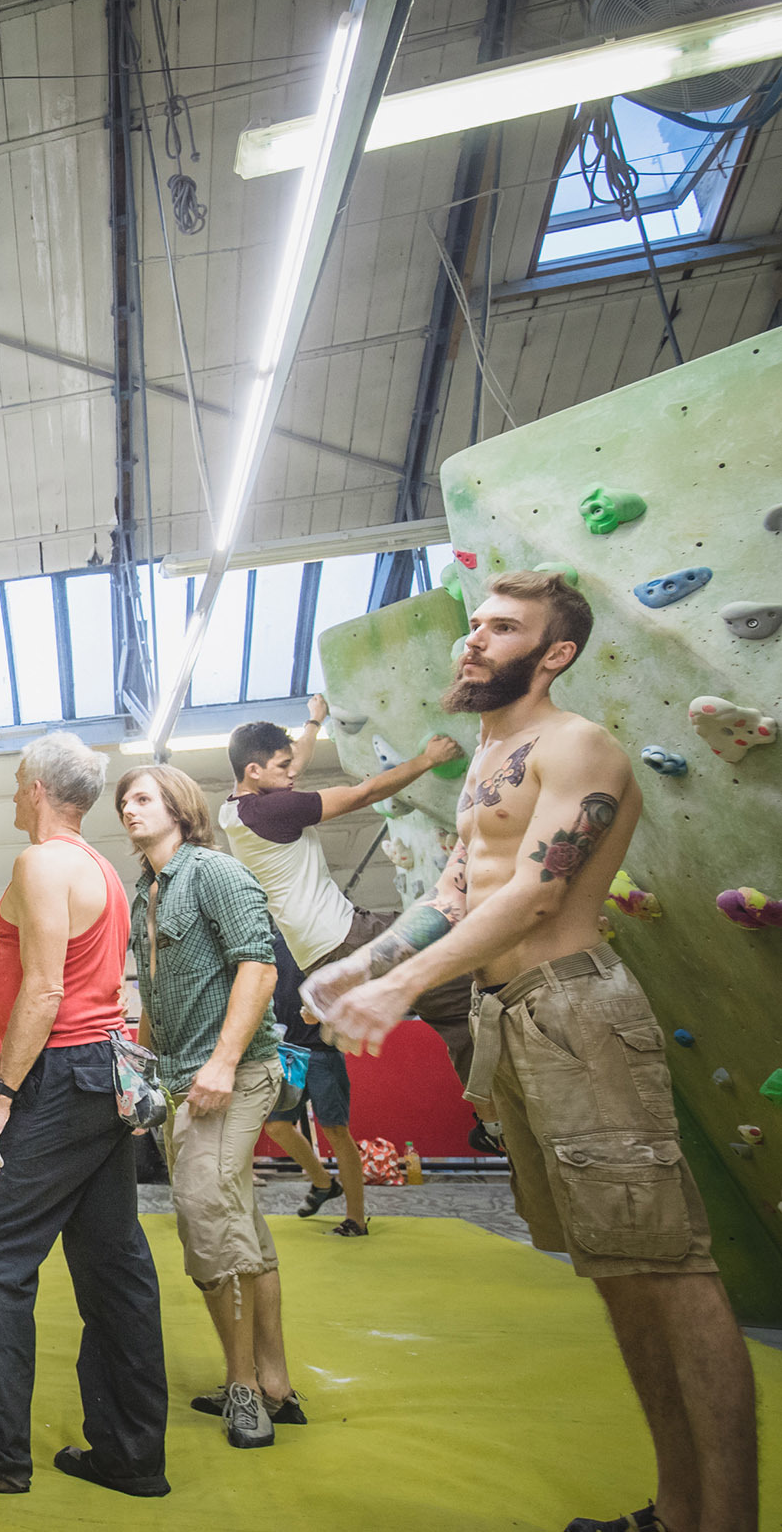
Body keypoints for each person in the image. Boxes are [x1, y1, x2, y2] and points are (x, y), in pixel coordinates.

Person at [303, 571, 757, 1532]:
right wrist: (361, 965)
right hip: (517, 1019)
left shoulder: (577, 743)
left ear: (554, 653)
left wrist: (401, 987)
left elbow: (538, 893)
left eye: (503, 626)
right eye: (475, 623)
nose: (475, 639)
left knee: (670, 1267)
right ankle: (678, 1510)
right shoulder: (487, 756)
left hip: (580, 1014)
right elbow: (456, 895)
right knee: (616, 1268)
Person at [0, 733, 169, 1501]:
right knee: (114, 1264)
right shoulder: (100, 870)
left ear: (41, 789)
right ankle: (130, 1455)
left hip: (59, 1077)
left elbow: (45, 993)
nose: (16, 797)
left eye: (20, 785)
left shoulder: (40, 862)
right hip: (102, 1079)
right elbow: (58, 966)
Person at [116, 762, 296, 1451]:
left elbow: (259, 963)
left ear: (179, 806)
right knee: (239, 1221)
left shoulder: (214, 872)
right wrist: (141, 1071)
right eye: (124, 799)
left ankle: (243, 1385)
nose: (129, 808)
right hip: (179, 1080)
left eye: (142, 797)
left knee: (206, 1222)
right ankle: (273, 1379)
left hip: (231, 1076)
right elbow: (157, 997)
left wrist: (220, 1063)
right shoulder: (146, 892)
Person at [221, 699, 479, 1088]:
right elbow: (364, 793)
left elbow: (296, 761)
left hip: (317, 949)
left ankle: (487, 1107)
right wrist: (428, 758)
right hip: (343, 935)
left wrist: (314, 721)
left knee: (440, 988)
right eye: (283, 768)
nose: (293, 774)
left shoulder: (236, 809)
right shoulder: (276, 811)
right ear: (254, 771)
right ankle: (492, 1106)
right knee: (455, 986)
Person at [258, 932, 367, 1237]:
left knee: (335, 1129)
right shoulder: (272, 943)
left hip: (322, 1051)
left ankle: (356, 1219)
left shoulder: (322, 940)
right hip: (287, 1051)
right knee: (277, 1126)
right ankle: (323, 1183)